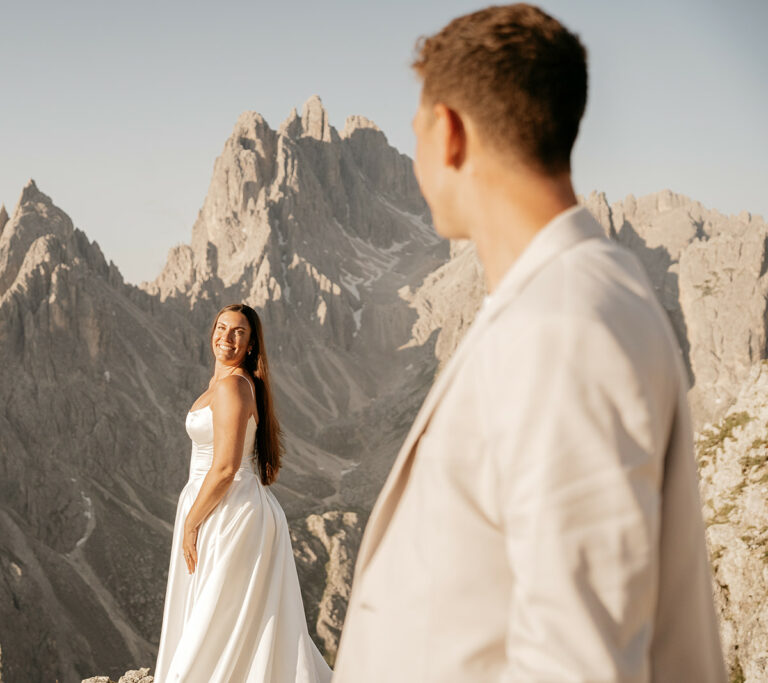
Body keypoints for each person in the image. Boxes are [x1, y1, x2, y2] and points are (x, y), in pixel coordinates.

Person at [333, 4, 726, 682]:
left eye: (417, 131)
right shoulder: (568, 297)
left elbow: (576, 661)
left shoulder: (565, 327)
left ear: (449, 132)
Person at [153, 303, 332, 683]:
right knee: (230, 615)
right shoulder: (226, 384)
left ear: (251, 345)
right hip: (224, 505)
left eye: (239, 332)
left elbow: (225, 468)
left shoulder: (233, 386)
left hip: (228, 510)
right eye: (221, 327)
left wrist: (191, 522)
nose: (227, 337)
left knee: (219, 615)